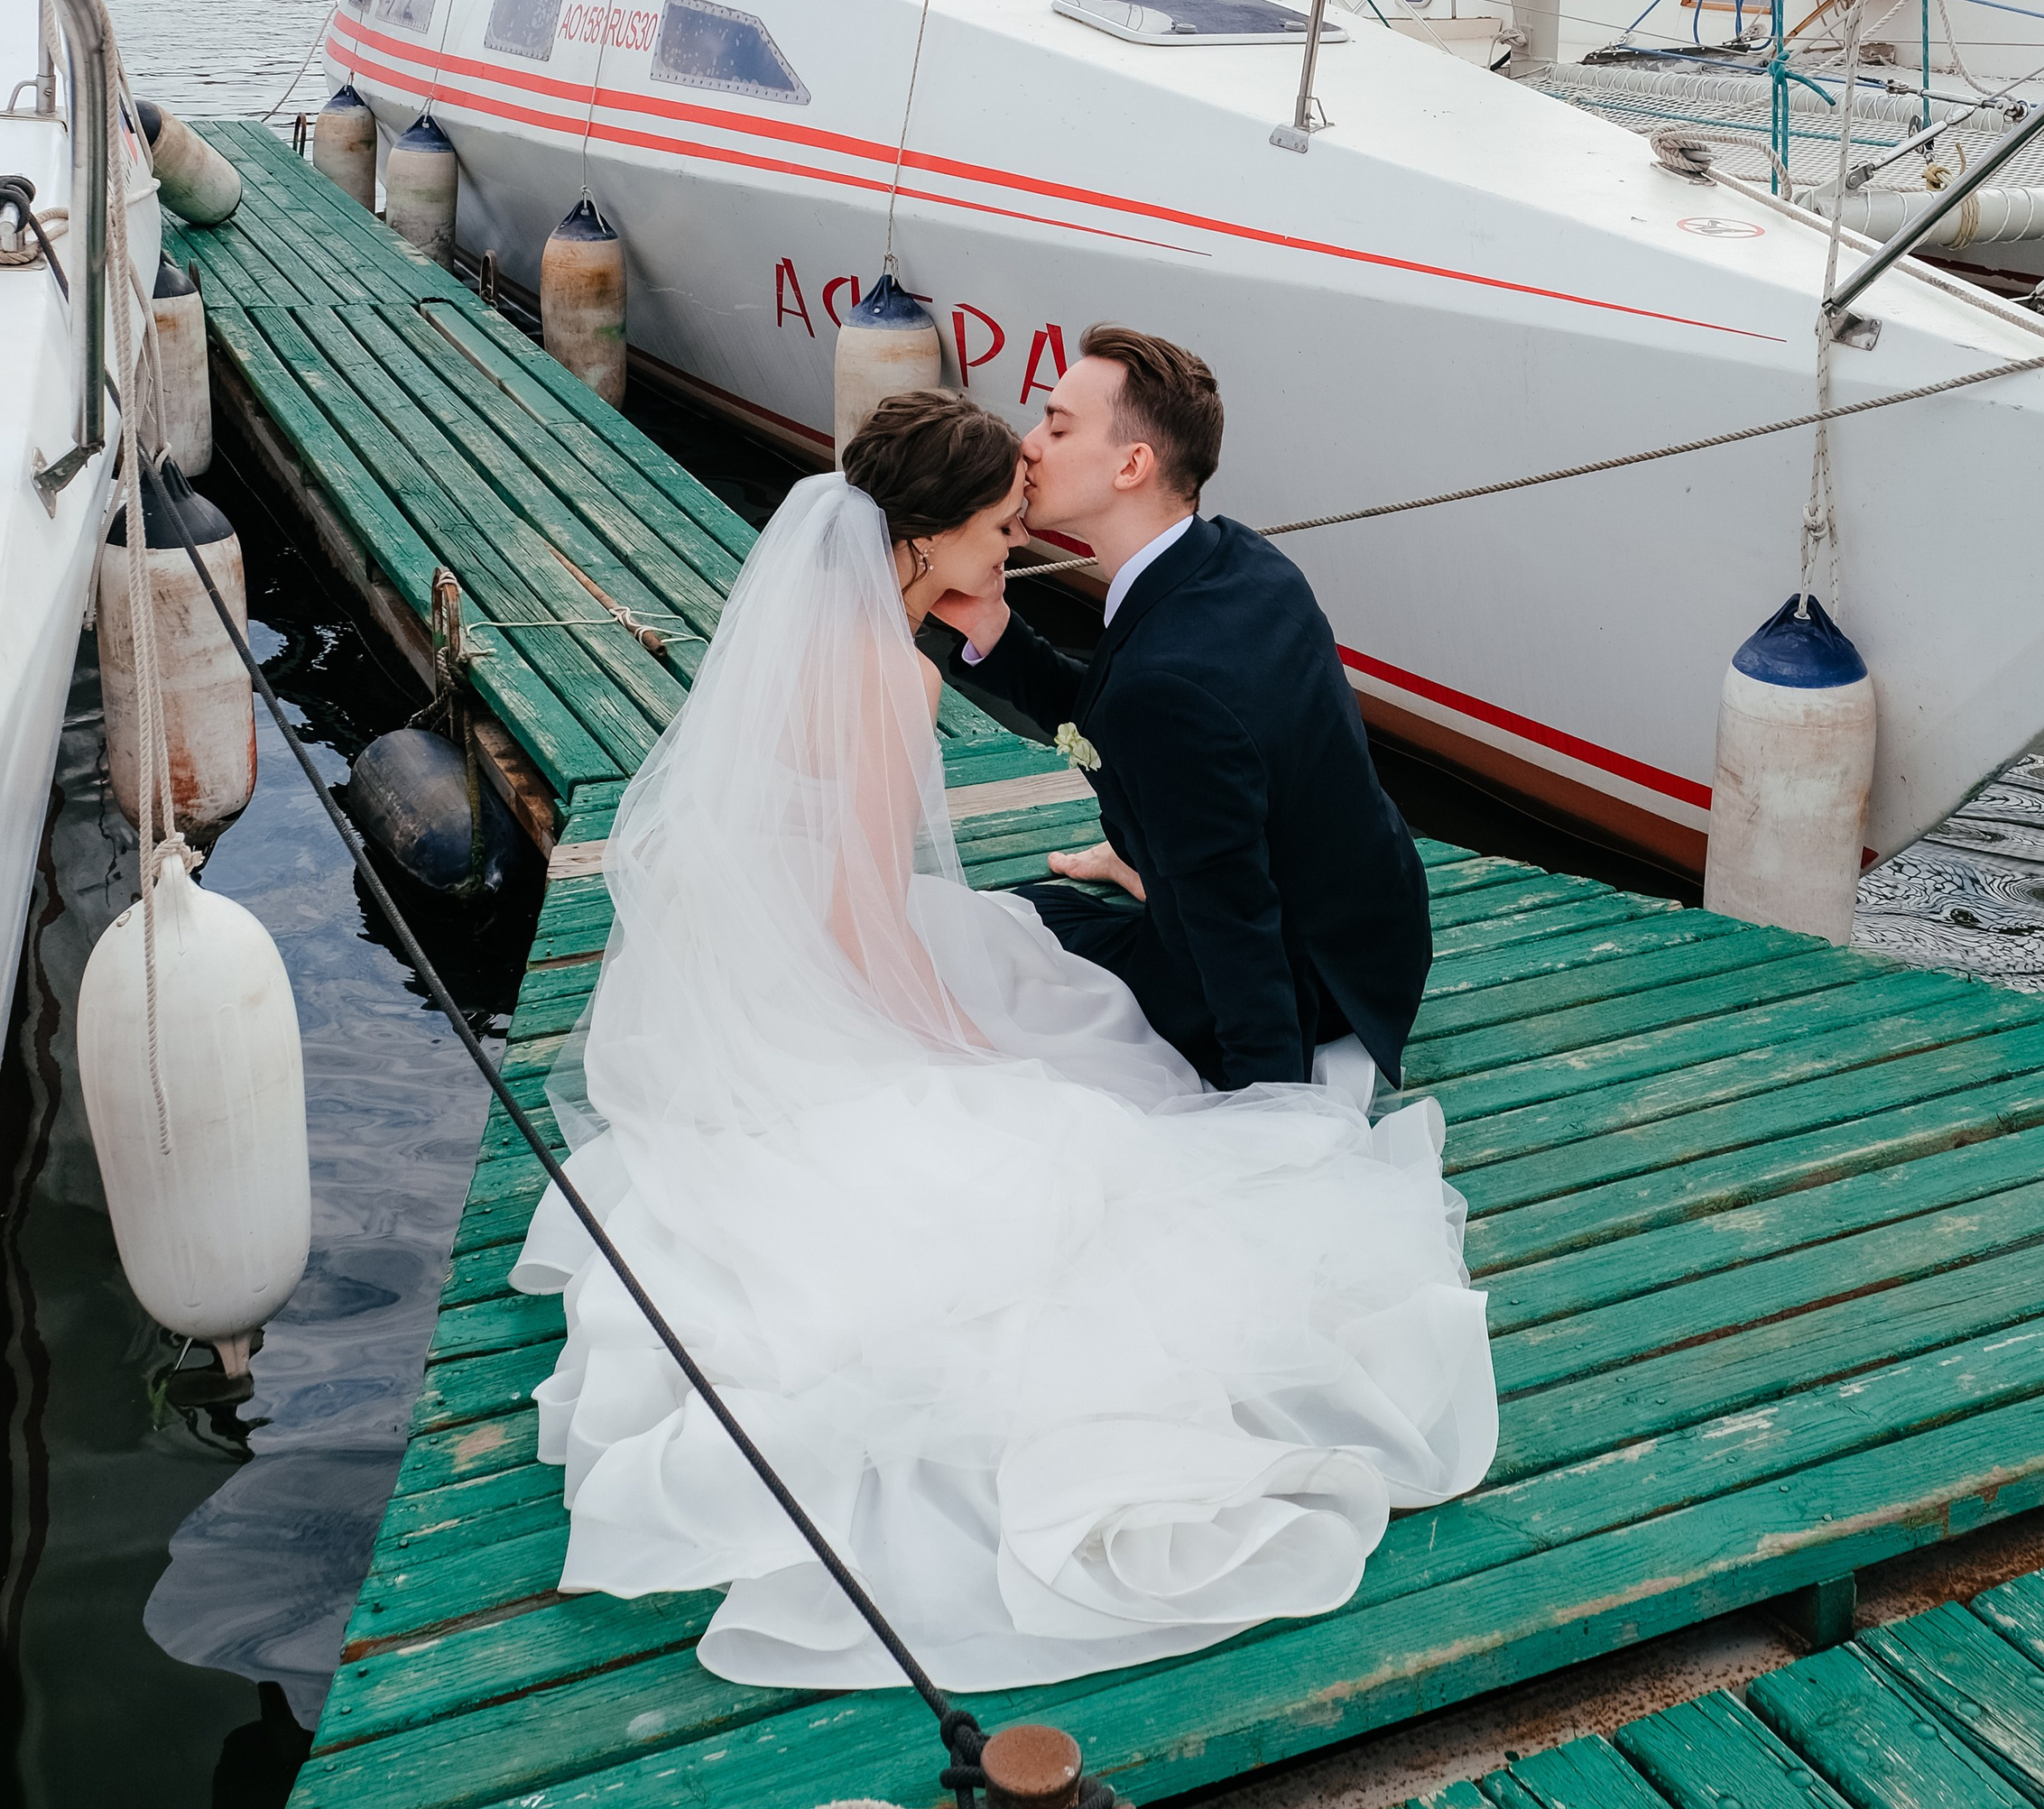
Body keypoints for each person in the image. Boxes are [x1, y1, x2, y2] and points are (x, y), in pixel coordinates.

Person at [513, 389, 1494, 1693]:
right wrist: (949, 1042)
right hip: (841, 967)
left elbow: (866, 874)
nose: (1012, 543)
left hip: (780, 955)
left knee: (1052, 989)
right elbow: (863, 927)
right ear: (924, 540)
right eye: (992, 525)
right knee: (1054, 1093)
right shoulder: (885, 671)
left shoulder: (864, 635)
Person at [937, 328, 1432, 1096]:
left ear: (1133, 465)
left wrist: (1268, 1109)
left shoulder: (1166, 684)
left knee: (985, 946)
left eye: (1057, 425)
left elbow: (1231, 924)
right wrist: (996, 633)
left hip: (1298, 984)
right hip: (1381, 942)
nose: (1027, 446)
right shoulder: (1240, 560)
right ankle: (1143, 866)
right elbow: (1130, 728)